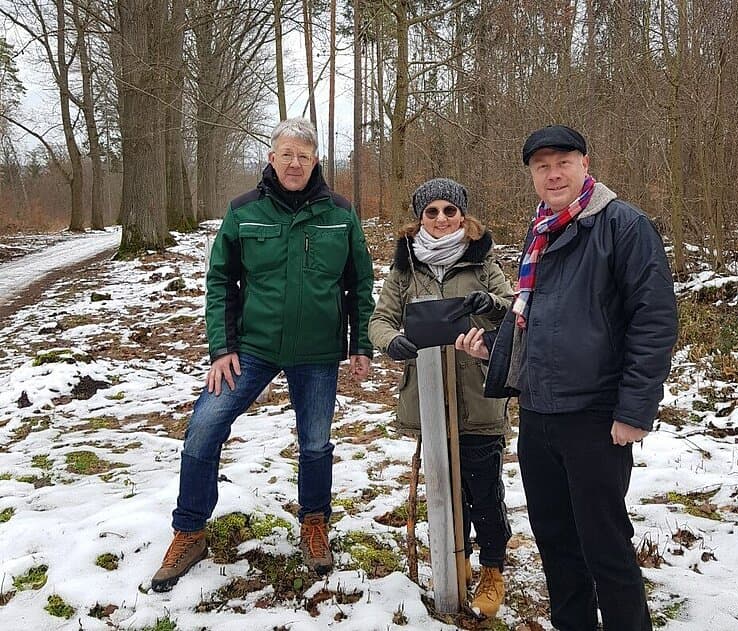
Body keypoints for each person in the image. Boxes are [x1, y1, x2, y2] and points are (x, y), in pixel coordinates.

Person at [455, 125, 678, 630]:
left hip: (596, 417)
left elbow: (655, 319)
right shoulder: (541, 232)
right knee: (556, 542)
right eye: (542, 166)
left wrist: (634, 410)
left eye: (563, 162)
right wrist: (492, 351)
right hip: (539, 415)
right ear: (532, 175)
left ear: (584, 163)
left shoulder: (623, 226)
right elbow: (540, 325)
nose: (553, 174)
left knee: (605, 547)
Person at [151, 118, 375, 592]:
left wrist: (360, 345)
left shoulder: (340, 213)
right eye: (287, 153)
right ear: (271, 158)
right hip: (250, 349)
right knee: (204, 427)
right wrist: (221, 347)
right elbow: (219, 282)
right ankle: (189, 531)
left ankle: (314, 524)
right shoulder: (243, 212)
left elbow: (360, 283)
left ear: (317, 161)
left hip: (316, 353)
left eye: (305, 155)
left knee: (315, 443)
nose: (295, 163)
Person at [369, 178, 514, 618]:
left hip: (478, 394)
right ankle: (456, 560)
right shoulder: (405, 269)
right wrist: (391, 341)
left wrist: (486, 302)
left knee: (483, 487)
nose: (440, 219)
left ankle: (493, 568)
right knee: (444, 489)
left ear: (463, 217)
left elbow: (513, 309)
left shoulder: (483, 261)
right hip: (428, 396)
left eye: (449, 211)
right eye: (431, 212)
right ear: (419, 219)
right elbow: (380, 319)